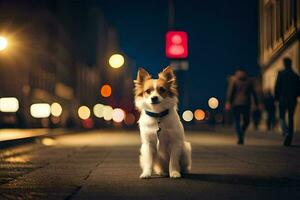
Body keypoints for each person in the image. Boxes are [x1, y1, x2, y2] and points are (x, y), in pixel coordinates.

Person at [226, 68, 258, 145]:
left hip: (236, 104)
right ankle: (242, 132)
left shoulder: (234, 80)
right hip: (246, 103)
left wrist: (228, 102)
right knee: (247, 121)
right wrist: (256, 102)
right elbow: (254, 93)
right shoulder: (249, 81)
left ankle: (240, 134)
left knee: (237, 121)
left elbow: (230, 92)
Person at [275, 57, 300, 146]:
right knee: (291, 118)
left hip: (283, 99)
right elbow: (298, 89)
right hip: (292, 100)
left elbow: (277, 86)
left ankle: (285, 131)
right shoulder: (296, 75)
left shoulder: (281, 74)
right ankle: (290, 135)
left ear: (284, 64)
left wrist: (276, 98)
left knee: (281, 116)